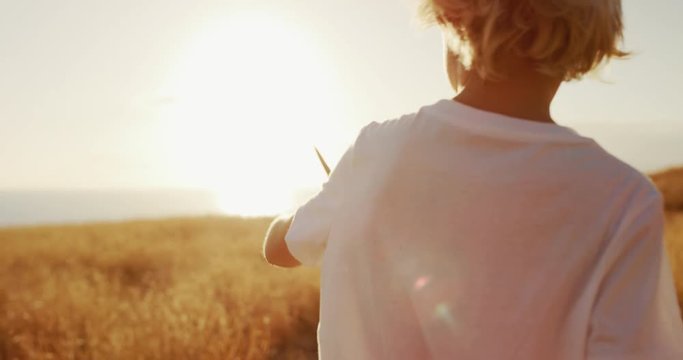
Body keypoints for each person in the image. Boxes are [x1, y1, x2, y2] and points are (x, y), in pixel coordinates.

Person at [263, 0, 683, 358]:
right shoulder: (624, 200)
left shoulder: (374, 152)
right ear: (592, 36)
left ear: (450, 16)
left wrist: (311, 206)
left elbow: (278, 248)